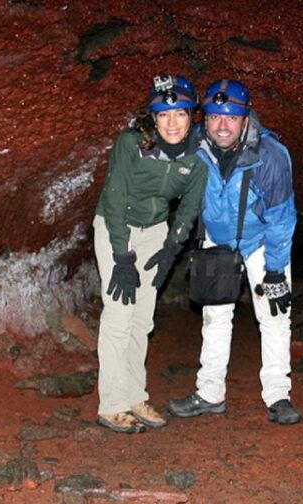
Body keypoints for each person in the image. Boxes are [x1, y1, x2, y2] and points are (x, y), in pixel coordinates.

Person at [168, 79, 302, 425]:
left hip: (260, 243)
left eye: (231, 118)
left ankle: (278, 396)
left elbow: (281, 218)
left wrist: (275, 270)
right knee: (215, 319)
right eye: (214, 117)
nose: (222, 126)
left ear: (245, 119)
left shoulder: (269, 156)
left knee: (274, 317)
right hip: (218, 240)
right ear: (204, 119)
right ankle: (210, 393)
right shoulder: (195, 144)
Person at [93, 75, 208, 433]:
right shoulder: (132, 143)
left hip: (156, 231)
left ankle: (134, 395)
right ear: (153, 118)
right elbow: (114, 199)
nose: (172, 123)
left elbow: (190, 205)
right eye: (163, 115)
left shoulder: (198, 155)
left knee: (143, 318)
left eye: (180, 114)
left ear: (192, 116)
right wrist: (121, 256)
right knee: (118, 313)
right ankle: (111, 404)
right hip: (117, 226)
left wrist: (173, 244)